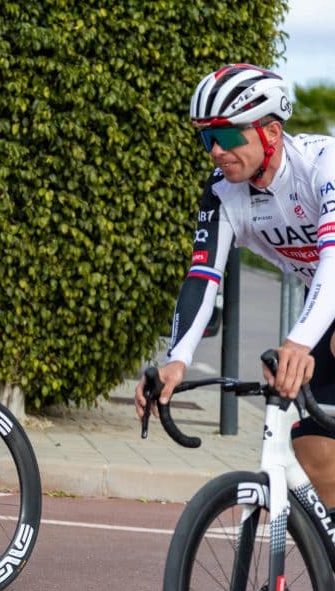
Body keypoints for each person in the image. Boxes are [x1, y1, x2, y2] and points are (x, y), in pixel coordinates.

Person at [134, 64, 335, 505]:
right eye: (208, 139)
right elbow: (203, 276)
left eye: (226, 137)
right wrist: (177, 360)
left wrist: (298, 342)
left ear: (272, 133)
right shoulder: (224, 192)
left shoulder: (324, 165)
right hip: (323, 304)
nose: (216, 151)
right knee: (313, 455)